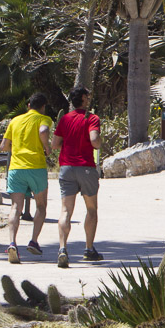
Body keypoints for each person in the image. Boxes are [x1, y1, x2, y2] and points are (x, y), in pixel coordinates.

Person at [52, 87, 103, 268]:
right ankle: (89, 249)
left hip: (66, 167)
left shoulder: (65, 119)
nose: (88, 99)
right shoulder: (91, 118)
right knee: (91, 209)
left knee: (66, 210)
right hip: (86, 168)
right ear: (83, 99)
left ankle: (62, 249)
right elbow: (95, 140)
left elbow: (54, 144)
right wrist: (97, 142)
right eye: (87, 96)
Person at [0, 93, 52, 264]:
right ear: (43, 107)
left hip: (16, 168)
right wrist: (46, 147)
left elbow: (3, 146)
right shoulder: (43, 119)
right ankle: (34, 241)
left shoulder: (14, 121)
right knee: (41, 206)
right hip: (36, 166)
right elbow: (43, 131)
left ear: (28, 105)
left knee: (16, 206)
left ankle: (12, 243)